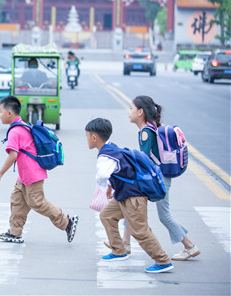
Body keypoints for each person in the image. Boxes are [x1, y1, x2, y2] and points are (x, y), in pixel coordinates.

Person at [85, 118, 174, 273]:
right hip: (123, 195)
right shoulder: (111, 147)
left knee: (140, 231)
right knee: (106, 215)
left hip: (133, 197)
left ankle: (163, 261)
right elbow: (120, 169)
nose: (86, 139)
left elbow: (101, 175)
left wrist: (104, 185)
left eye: (86, 135)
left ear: (94, 137)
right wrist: (110, 187)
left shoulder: (105, 157)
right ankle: (118, 250)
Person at [0, 95, 78, 244]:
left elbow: (13, 155)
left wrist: (0, 173)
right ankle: (15, 232)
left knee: (37, 203)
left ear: (9, 113)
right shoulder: (22, 125)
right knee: (17, 201)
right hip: (25, 175)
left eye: (1, 111)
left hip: (32, 174)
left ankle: (66, 222)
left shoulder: (15, 131)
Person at [128, 95, 200, 261]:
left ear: (140, 112)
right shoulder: (150, 128)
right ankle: (124, 243)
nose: (129, 112)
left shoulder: (146, 132)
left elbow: (144, 160)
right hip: (160, 177)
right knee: (131, 204)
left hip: (158, 179)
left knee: (163, 215)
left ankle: (189, 246)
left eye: (131, 108)